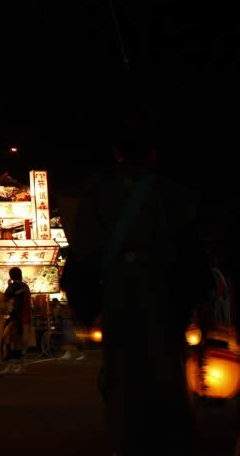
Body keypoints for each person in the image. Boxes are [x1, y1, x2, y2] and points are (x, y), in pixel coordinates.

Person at [61, 116, 214, 456]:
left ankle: (126, 437)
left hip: (118, 288)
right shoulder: (171, 192)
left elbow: (84, 251)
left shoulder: (97, 191)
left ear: (116, 151)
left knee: (122, 368)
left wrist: (84, 304)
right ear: (151, 153)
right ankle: (169, 437)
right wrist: (199, 299)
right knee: (164, 366)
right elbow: (190, 249)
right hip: (162, 288)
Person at [3, 267, 32, 374]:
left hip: (15, 317)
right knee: (22, 342)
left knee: (8, 339)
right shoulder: (25, 286)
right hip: (26, 317)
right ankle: (22, 365)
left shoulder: (13, 286)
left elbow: (5, 298)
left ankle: (11, 365)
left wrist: (8, 285)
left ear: (11, 276)